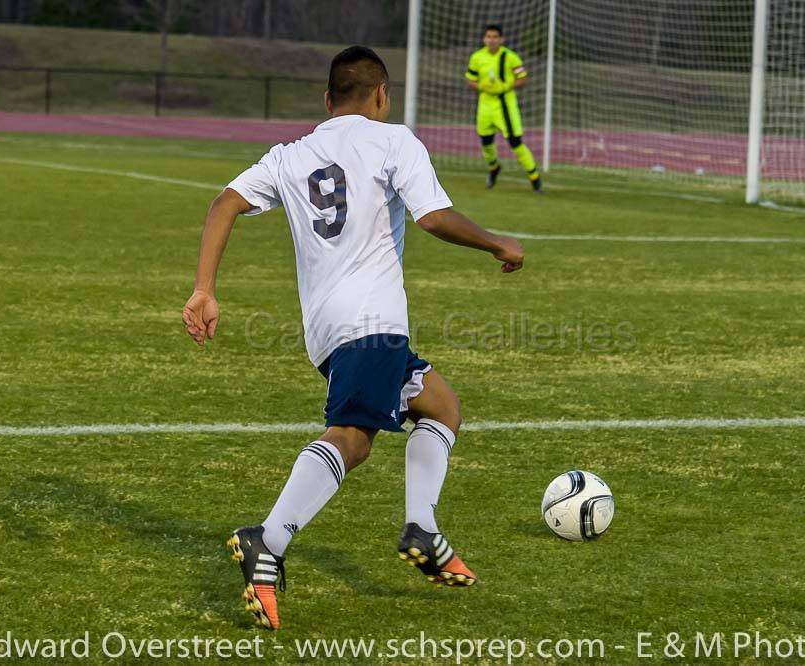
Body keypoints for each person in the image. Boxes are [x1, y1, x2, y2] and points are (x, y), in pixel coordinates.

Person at [182, 45, 525, 631]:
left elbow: (223, 204)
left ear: (326, 100)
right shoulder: (393, 141)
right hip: (372, 320)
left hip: (326, 329)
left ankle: (423, 527)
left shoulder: (289, 155)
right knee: (353, 438)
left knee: (440, 405)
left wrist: (203, 290)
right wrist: (498, 243)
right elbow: (433, 216)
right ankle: (268, 539)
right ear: (382, 96)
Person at [465, 24, 542, 192]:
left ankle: (535, 177)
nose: (491, 40)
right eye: (488, 37)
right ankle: (494, 168)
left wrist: (506, 86)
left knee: (515, 143)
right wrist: (482, 86)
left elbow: (523, 78)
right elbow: (471, 81)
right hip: (485, 106)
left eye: (495, 37)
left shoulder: (510, 57)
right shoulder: (477, 57)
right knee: (486, 142)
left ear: (501, 39)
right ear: (484, 39)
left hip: (505, 106)